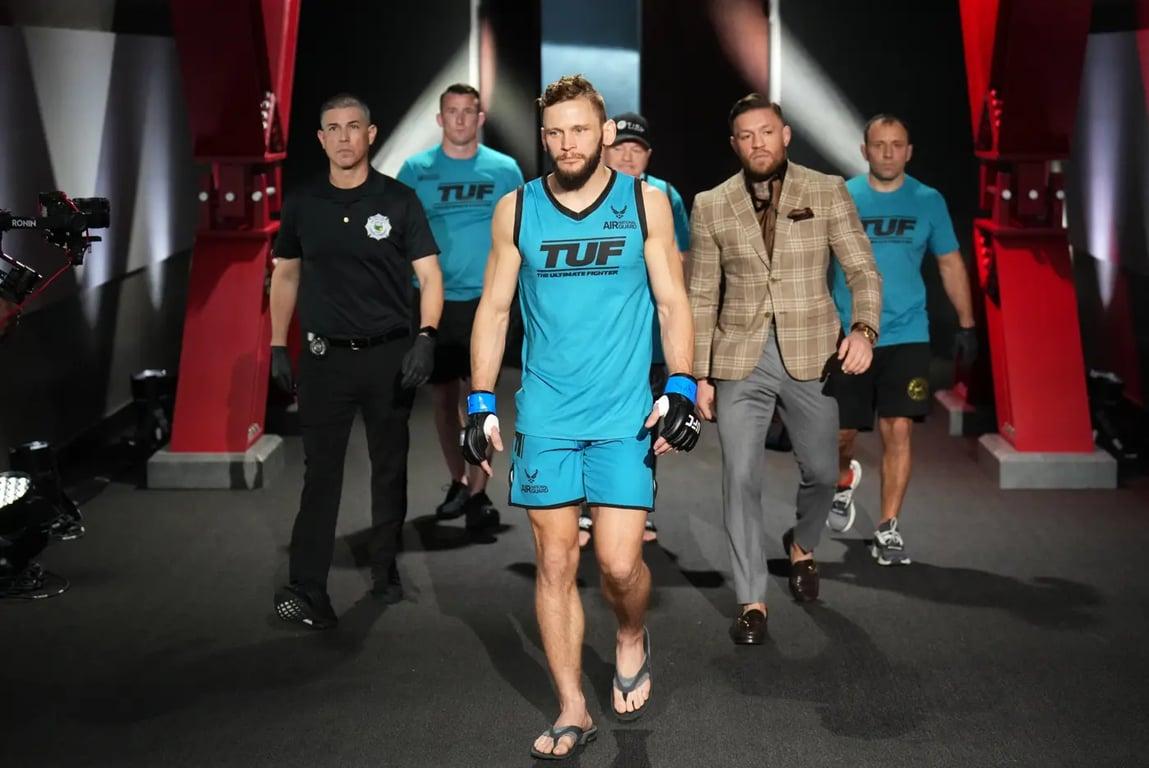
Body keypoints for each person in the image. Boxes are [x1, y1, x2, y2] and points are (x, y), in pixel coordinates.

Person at [463, 75, 700, 760]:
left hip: (624, 413)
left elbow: (671, 303)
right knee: (555, 561)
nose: (566, 143)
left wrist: (680, 384)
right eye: (554, 132)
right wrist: (480, 399)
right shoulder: (516, 209)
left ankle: (629, 634)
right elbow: (495, 310)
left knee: (620, 565)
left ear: (605, 135)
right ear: (544, 138)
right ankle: (572, 707)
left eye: (578, 130)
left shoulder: (645, 203)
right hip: (545, 417)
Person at [688, 94, 881, 645]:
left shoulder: (826, 190)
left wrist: (864, 330)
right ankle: (752, 599)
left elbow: (863, 270)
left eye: (767, 132)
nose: (758, 143)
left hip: (812, 352)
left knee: (823, 472)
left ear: (786, 134)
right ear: (734, 145)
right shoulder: (712, 203)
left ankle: (801, 544)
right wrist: (698, 373)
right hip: (737, 358)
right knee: (739, 476)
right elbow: (701, 295)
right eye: (747, 136)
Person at [269, 94, 443, 629]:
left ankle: (385, 566)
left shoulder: (399, 201)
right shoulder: (301, 204)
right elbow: (286, 275)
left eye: (353, 127)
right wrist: (278, 344)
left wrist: (426, 337)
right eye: (332, 129)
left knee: (389, 467)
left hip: (390, 357)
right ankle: (306, 586)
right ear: (320, 140)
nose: (344, 137)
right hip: (324, 359)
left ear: (371, 134)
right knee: (321, 473)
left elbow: (431, 275)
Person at [827, 113, 977, 566]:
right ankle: (842, 479)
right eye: (879, 144)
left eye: (897, 145)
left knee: (899, 429)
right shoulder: (843, 197)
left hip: (908, 334)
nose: (888, 152)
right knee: (839, 433)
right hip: (850, 335)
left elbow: (950, 263)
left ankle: (887, 527)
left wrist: (967, 324)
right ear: (864, 150)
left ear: (908, 151)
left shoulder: (928, 201)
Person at [397, 84, 524, 531]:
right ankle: (456, 479)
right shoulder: (415, 170)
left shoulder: (505, 170)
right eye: (452, 112)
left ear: (481, 117)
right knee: (442, 394)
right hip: (433, 302)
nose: (460, 119)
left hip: (485, 300)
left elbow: (520, 233)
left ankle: (477, 491)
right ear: (440, 118)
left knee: (480, 395)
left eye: (468, 112)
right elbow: (400, 234)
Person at [578, 111, 690, 545]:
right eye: (620, 148)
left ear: (648, 155)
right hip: (598, 338)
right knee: (592, 420)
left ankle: (638, 508)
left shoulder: (665, 196)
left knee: (647, 423)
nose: (628, 156)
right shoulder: (588, 194)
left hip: (650, 340)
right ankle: (588, 508)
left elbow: (682, 261)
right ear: (605, 149)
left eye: (637, 149)